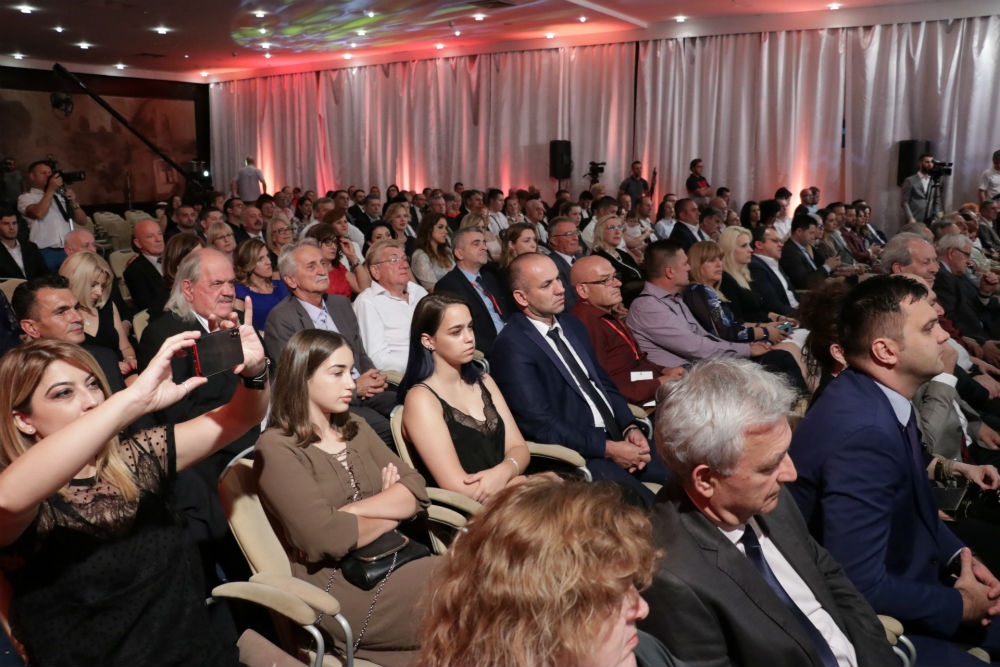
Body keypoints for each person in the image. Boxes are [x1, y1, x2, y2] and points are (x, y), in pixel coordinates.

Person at [0, 322, 267, 665]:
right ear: (24, 420)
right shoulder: (23, 495)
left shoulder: (139, 456)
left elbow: (240, 417)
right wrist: (132, 400)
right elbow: (7, 499)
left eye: (93, 384)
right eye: (63, 393)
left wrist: (255, 373)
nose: (91, 401)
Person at [790, 274, 1000, 660]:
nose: (943, 336)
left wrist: (960, 556)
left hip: (920, 577)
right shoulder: (863, 432)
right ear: (886, 351)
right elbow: (860, 582)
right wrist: (961, 605)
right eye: (929, 327)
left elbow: (915, 509)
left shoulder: (875, 398)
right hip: (886, 623)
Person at [641, 358, 898, 666]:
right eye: (769, 466)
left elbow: (831, 580)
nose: (790, 473)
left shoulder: (767, 497)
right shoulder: (671, 580)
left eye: (785, 454)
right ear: (706, 480)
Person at [254, 329, 436, 666]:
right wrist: (392, 507)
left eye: (350, 372)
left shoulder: (355, 426)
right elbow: (325, 537)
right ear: (302, 377)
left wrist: (351, 512)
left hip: (394, 559)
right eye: (337, 373)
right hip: (341, 589)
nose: (351, 383)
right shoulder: (276, 447)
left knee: (489, 586)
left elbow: (415, 488)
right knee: (476, 597)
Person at [420, 477, 678, 667]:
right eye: (611, 597)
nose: (642, 609)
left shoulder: (646, 652)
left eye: (633, 585)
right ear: (538, 622)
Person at [490, 253, 669, 504]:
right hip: (582, 457)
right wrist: (608, 449)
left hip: (618, 437)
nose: (560, 289)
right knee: (651, 509)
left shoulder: (572, 325)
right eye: (546, 285)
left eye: (558, 279)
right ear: (522, 297)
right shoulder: (512, 347)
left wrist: (629, 426)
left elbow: (603, 383)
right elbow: (540, 425)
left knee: (688, 476)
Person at [398, 293, 529, 501]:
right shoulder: (421, 399)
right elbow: (460, 489)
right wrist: (519, 482)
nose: (469, 338)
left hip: (512, 493)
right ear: (428, 341)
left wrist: (505, 471)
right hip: (476, 511)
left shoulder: (484, 380)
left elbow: (519, 448)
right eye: (456, 332)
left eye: (470, 327)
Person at [570, 255, 684, 405]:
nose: (618, 283)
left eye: (615, 277)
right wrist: (659, 383)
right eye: (605, 280)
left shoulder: (604, 313)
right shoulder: (584, 324)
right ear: (583, 290)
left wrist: (663, 371)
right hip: (636, 405)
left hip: (647, 388)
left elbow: (635, 360)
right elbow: (604, 385)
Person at [59, 250, 137, 382]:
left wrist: (129, 359)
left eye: (103, 285)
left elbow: (125, 347)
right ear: (75, 281)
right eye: (93, 285)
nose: (99, 292)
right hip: (87, 381)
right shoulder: (61, 316)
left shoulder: (107, 307)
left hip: (121, 376)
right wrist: (110, 367)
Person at [353, 240, 429, 374]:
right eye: (394, 260)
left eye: (404, 259)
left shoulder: (418, 291)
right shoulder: (368, 302)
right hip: (410, 376)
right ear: (375, 271)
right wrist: (426, 363)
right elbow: (378, 359)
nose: (404, 265)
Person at [433, 228, 512, 355]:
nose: (484, 247)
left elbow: (506, 311)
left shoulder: (490, 276)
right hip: (490, 351)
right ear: (460, 253)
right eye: (476, 244)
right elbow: (459, 331)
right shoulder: (447, 286)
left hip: (511, 339)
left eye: (484, 243)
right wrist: (501, 348)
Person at [17, 160, 89, 272]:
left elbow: (83, 221)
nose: (48, 176)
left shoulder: (60, 196)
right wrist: (50, 190)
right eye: (43, 173)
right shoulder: (26, 198)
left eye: (50, 173)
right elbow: (39, 213)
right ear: (32, 176)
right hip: (44, 251)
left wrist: (73, 202)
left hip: (67, 249)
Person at [234, 238, 288, 333]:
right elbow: (238, 327)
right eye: (260, 259)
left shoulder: (281, 286)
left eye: (267, 256)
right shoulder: (240, 292)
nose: (269, 262)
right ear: (248, 263)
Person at [592, 214, 644, 307]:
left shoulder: (621, 253)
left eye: (619, 227)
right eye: (612, 228)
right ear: (600, 232)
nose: (617, 232)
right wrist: (650, 284)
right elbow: (620, 287)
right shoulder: (598, 258)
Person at [123, 219, 169, 316]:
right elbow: (149, 308)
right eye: (150, 236)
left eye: (159, 234)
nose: (158, 239)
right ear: (138, 243)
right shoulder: (134, 271)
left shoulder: (175, 259)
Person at [410, 212, 454, 290]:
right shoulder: (420, 256)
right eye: (440, 227)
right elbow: (432, 289)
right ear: (428, 229)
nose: (446, 231)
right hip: (440, 296)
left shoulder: (447, 251)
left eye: (446, 228)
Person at [0, 207, 46, 280]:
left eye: (14, 223)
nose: (11, 227)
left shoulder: (31, 247)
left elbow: (44, 273)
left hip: (34, 286)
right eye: (6, 224)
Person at [902, 153, 943, 225]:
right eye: (927, 162)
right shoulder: (910, 180)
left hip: (930, 220)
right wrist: (910, 218)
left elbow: (937, 200)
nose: (930, 164)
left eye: (931, 162)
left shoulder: (934, 180)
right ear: (920, 163)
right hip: (915, 219)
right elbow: (905, 202)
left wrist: (936, 218)